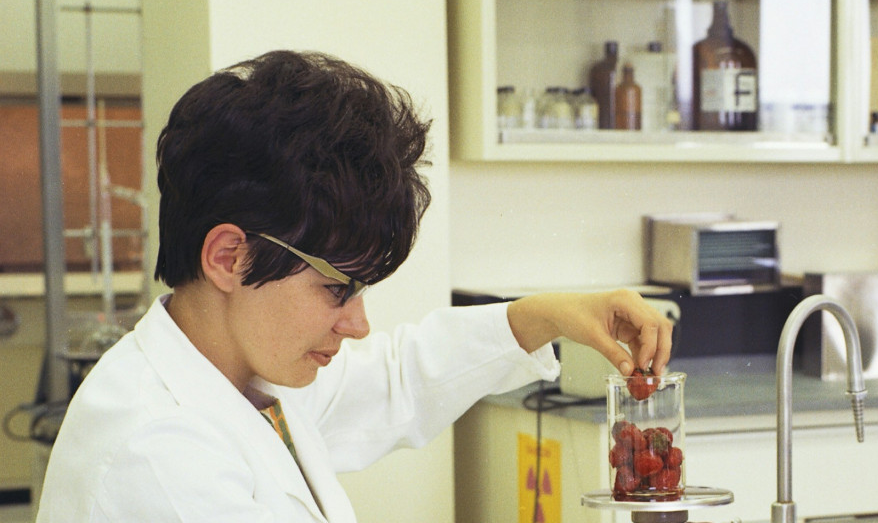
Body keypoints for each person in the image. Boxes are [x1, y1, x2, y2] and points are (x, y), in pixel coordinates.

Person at [36, 50, 673, 522]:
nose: (358, 323)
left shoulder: (238, 374)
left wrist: (549, 316)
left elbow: (393, 382)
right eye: (338, 288)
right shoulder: (160, 457)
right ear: (229, 256)